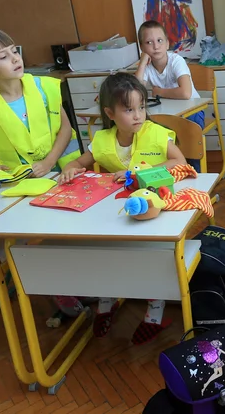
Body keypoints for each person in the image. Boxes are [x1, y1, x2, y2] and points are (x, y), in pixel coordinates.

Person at [58, 72, 186, 345]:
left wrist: (140, 170)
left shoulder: (157, 134)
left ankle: (155, 310)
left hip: (154, 212)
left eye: (141, 107)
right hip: (116, 213)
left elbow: (180, 161)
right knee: (106, 253)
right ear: (110, 113)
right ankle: (107, 301)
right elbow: (79, 163)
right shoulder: (103, 139)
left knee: (152, 255)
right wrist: (70, 169)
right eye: (129, 110)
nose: (138, 115)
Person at [0, 27, 80, 182]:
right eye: (3, 56)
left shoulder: (44, 87)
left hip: (62, 172)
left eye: (15, 51)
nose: (15, 59)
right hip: (17, 178)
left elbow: (65, 128)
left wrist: (48, 162)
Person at [134, 20, 203, 128]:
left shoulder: (176, 61)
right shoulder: (146, 66)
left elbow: (185, 93)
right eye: (149, 42)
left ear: (167, 44)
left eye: (159, 40)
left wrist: (159, 92)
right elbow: (135, 93)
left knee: (183, 130)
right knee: (148, 126)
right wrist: (142, 63)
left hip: (192, 110)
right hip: (167, 112)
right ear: (142, 47)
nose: (156, 46)